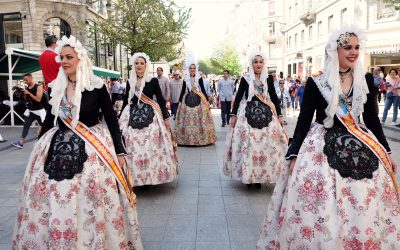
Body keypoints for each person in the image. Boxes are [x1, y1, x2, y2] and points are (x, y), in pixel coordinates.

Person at [257, 26, 399, 249]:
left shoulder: (365, 79)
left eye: (356, 47)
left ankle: (359, 237)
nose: (353, 52)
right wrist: (294, 153)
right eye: (347, 48)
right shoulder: (317, 82)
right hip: (322, 143)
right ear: (335, 50)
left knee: (362, 195)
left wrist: (386, 151)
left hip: (359, 140)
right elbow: (305, 119)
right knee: (323, 198)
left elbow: (371, 118)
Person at [12, 35, 142, 249]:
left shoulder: (96, 86)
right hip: (57, 146)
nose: (64, 61)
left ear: (80, 59)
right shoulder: (55, 87)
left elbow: (111, 120)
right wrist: (39, 146)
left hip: (91, 148)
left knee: (88, 198)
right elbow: (50, 118)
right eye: (62, 57)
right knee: (52, 196)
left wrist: (120, 151)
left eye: (69, 57)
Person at [223, 52, 288, 188]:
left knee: (265, 144)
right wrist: (233, 115)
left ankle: (260, 176)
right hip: (247, 115)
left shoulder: (268, 79)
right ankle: (249, 174)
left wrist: (280, 116)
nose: (258, 64)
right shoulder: (245, 79)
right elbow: (239, 96)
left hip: (266, 115)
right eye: (255, 62)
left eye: (260, 62)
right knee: (249, 145)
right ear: (251, 64)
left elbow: (274, 98)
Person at [119, 52, 178, 186]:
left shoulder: (153, 81)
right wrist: (119, 119)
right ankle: (134, 177)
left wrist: (165, 116)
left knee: (151, 142)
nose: (139, 66)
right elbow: (125, 102)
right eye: (136, 63)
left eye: (142, 63)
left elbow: (161, 99)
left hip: (151, 115)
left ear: (146, 66)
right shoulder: (129, 82)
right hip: (131, 114)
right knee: (129, 140)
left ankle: (151, 176)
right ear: (133, 66)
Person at [175, 63, 217, 146]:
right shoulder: (185, 79)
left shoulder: (199, 78)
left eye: (194, 68)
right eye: (191, 68)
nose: (192, 69)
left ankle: (202, 138)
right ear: (188, 69)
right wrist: (179, 102)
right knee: (186, 119)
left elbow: (203, 90)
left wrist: (207, 101)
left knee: (200, 118)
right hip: (187, 99)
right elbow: (183, 90)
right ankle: (185, 139)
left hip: (199, 99)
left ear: (196, 69)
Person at [11, 73, 46, 149]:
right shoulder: (26, 88)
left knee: (45, 127)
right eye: (24, 80)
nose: (25, 81)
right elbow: (27, 100)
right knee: (26, 125)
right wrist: (20, 93)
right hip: (30, 111)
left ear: (31, 78)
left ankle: (46, 142)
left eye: (26, 80)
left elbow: (38, 99)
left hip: (39, 111)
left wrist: (29, 93)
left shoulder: (39, 87)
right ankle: (21, 142)